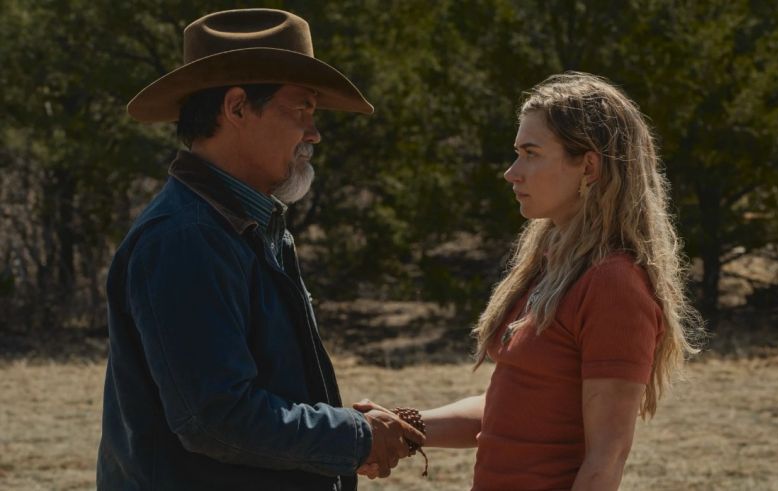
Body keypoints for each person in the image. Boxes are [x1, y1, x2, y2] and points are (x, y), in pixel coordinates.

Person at [97, 8, 423, 491]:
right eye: (302, 109)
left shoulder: (240, 225)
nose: (313, 132)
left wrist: (345, 430)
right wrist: (353, 436)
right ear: (237, 108)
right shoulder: (185, 237)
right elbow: (215, 417)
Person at [356, 72, 703, 490]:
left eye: (531, 153)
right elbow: (512, 411)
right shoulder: (552, 266)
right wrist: (403, 428)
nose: (511, 172)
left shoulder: (614, 284)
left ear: (588, 167)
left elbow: (605, 460)